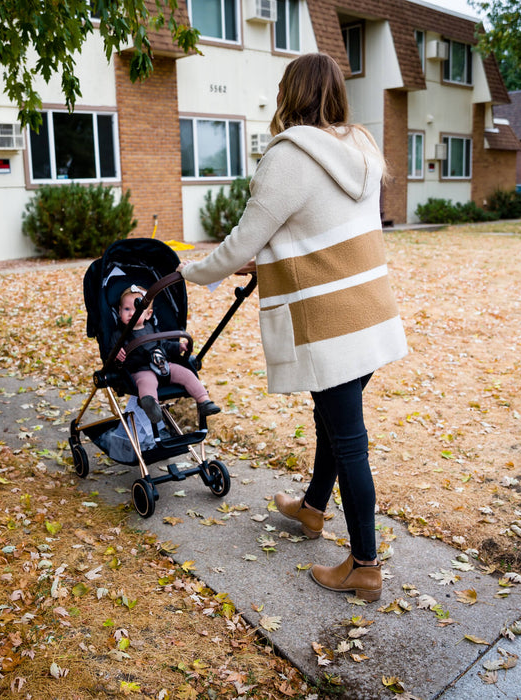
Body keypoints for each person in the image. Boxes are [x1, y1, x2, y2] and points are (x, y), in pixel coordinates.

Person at [177, 53, 407, 602]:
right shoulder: (362, 148)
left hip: (326, 324)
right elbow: (319, 228)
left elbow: (242, 242)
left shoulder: (286, 157)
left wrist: (187, 273)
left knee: (348, 440)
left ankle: (365, 565)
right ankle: (311, 508)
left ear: (290, 93)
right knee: (333, 418)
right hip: (370, 313)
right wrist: (275, 257)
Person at [113, 285, 221, 424]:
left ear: (148, 314)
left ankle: (204, 401)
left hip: (163, 364)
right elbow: (112, 351)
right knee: (147, 382)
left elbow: (165, 345)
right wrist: (116, 353)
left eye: (137, 310)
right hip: (141, 369)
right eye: (127, 309)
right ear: (120, 311)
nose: (131, 313)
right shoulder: (119, 334)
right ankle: (152, 406)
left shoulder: (152, 328)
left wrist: (180, 347)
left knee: (187, 373)